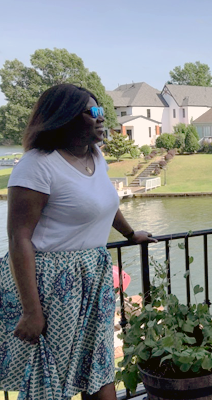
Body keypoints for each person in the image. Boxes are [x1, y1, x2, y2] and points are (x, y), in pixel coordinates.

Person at [0, 84, 156, 400]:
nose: (102, 117)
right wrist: (32, 310)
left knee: (97, 368)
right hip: (51, 282)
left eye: (101, 110)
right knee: (51, 377)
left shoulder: (96, 157)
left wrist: (130, 234)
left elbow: (104, 203)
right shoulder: (37, 164)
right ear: (65, 117)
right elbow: (19, 238)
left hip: (93, 275)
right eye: (92, 111)